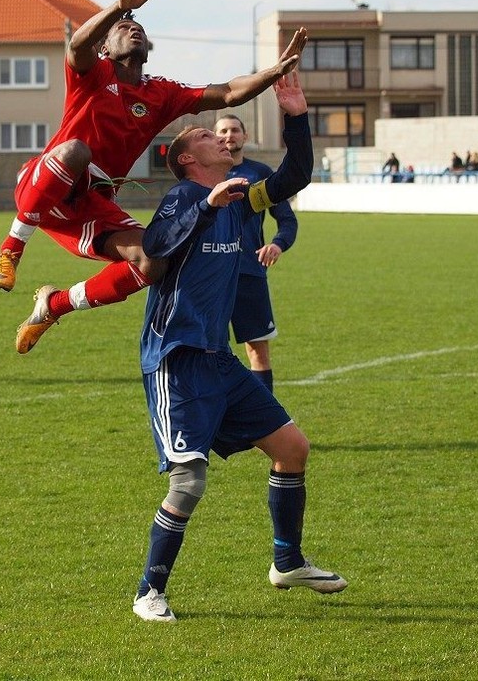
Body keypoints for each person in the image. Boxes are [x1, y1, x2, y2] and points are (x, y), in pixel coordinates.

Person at [0, 0, 308, 354]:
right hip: (45, 185)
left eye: (138, 28)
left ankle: (54, 305)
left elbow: (226, 92)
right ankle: (10, 249)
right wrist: (119, 6)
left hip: (90, 206)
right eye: (124, 27)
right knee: (75, 151)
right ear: (106, 45)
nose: (133, 30)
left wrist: (274, 72)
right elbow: (77, 45)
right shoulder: (93, 73)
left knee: (154, 260)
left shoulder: (161, 94)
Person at [131, 73, 346, 623]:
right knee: (189, 479)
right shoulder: (181, 197)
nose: (220, 138)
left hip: (218, 359)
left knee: (293, 447)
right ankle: (148, 592)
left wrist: (296, 116)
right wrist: (205, 203)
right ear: (186, 160)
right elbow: (153, 251)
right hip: (175, 361)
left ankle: (287, 561)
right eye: (206, 136)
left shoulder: (242, 198)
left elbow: (295, 177)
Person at [213, 113, 298, 393]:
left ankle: (268, 426)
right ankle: (219, 421)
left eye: (235, 130)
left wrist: (277, 244)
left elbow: (286, 219)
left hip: (249, 272)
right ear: (215, 137)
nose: (229, 136)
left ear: (245, 136)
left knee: (258, 351)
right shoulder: (205, 172)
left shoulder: (260, 174)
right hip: (211, 277)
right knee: (212, 352)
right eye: (223, 131)